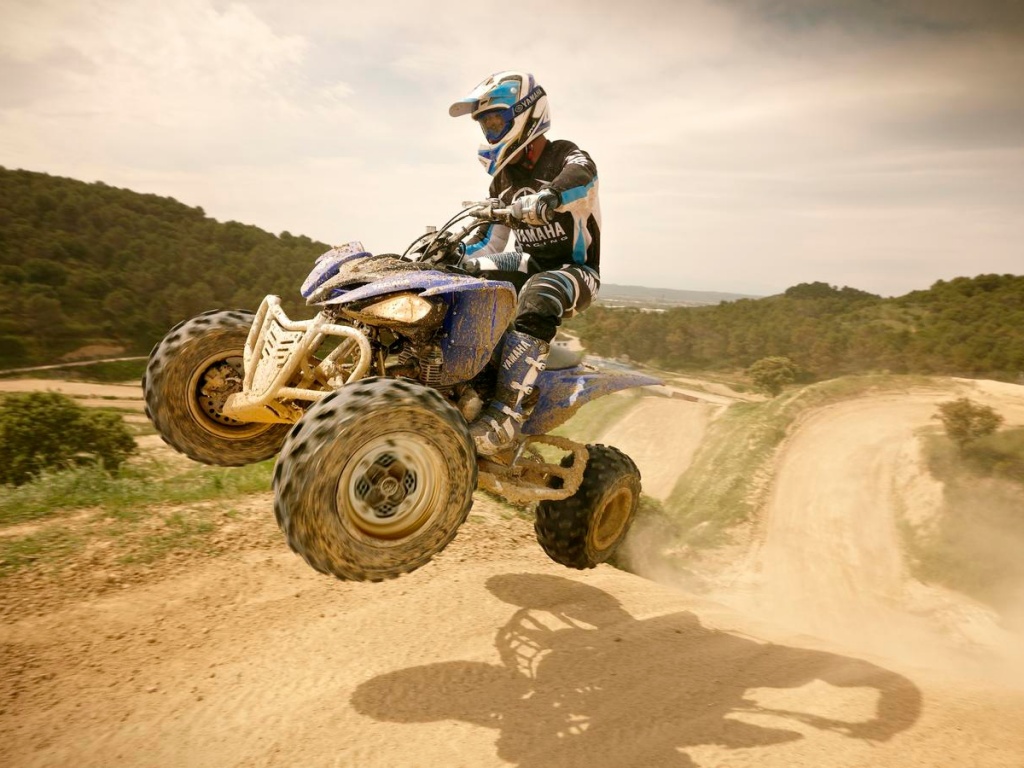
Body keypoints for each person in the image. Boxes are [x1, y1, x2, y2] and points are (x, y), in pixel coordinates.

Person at [449, 70, 601, 456]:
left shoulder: (564, 155)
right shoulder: (503, 179)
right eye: (485, 124)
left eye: (495, 121)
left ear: (526, 114)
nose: (489, 131)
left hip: (575, 270)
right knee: (461, 276)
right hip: (529, 262)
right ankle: (461, 381)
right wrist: (453, 255)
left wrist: (549, 197)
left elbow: (584, 175)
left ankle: (506, 413)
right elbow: (489, 242)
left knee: (539, 291)